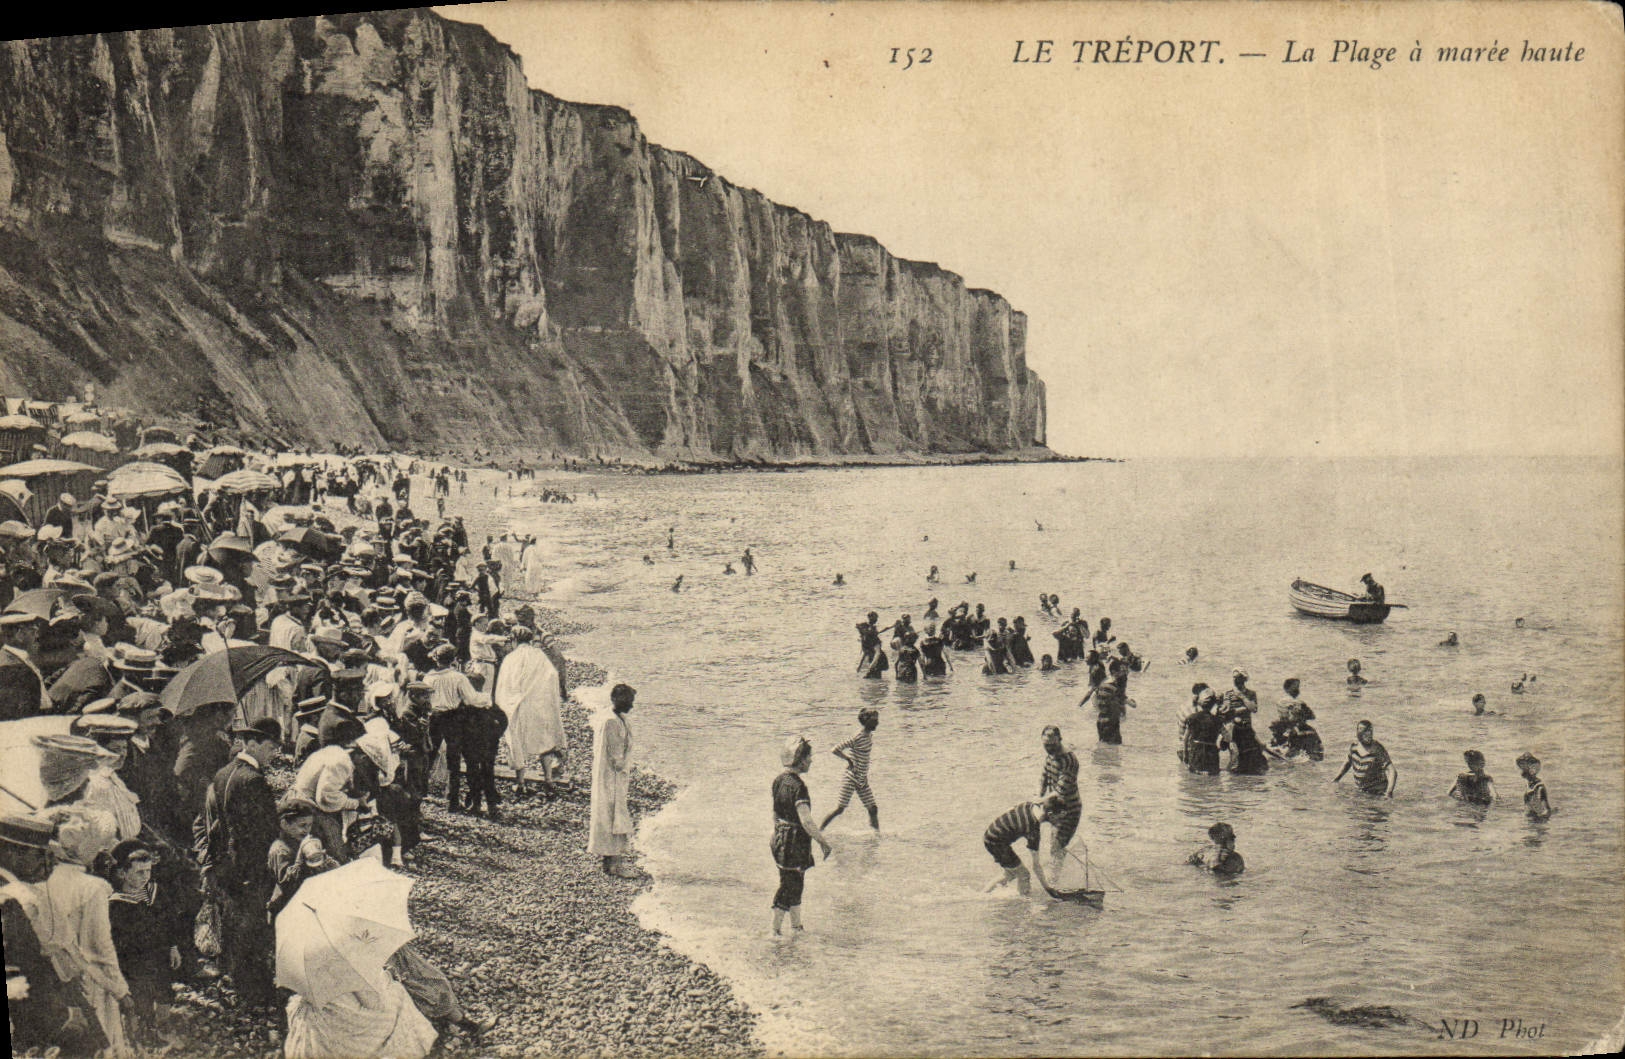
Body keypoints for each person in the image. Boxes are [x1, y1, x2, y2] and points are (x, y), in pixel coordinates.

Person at [1, 811, 108, 1056]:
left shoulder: (17, 891)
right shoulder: (10, 899)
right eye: (39, 855)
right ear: (11, 852)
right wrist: (62, 1019)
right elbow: (18, 971)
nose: (47, 864)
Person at [197, 717, 282, 1009]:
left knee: (235, 925)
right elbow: (263, 831)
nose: (275, 754)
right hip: (249, 866)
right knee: (252, 927)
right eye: (271, 747)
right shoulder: (254, 780)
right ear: (253, 744)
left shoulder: (224, 772)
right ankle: (254, 992)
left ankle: (236, 980)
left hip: (227, 863)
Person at [38, 806, 131, 1053]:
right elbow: (100, 949)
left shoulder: (44, 881)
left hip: (58, 981)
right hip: (91, 984)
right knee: (100, 1041)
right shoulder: (93, 888)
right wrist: (121, 991)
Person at [105, 839, 178, 1046]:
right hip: (134, 960)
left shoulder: (154, 892)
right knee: (140, 996)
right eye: (139, 872)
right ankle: (142, 1035)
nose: (145, 877)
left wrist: (173, 947)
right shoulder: (117, 903)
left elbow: (169, 920)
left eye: (148, 871)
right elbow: (116, 939)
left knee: (163, 990)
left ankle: (162, 1025)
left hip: (159, 954)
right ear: (122, 873)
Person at [494, 625, 567, 798]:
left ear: (513, 640)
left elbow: (504, 684)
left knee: (516, 740)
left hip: (517, 705)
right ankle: (548, 780)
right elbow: (551, 676)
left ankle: (520, 783)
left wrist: (503, 704)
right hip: (538, 704)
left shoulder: (511, 658)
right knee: (544, 740)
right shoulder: (539, 655)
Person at [770, 735, 832, 935]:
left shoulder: (778, 781)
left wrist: (778, 835)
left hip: (780, 838)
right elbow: (806, 820)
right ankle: (774, 931)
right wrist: (823, 842)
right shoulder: (799, 787)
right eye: (809, 757)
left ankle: (797, 927)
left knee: (794, 883)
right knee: (790, 885)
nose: (811, 760)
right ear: (800, 760)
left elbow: (775, 813)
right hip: (795, 842)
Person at [589, 684, 639, 878]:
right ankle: (614, 865)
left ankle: (609, 863)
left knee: (609, 817)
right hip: (612, 778)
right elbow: (617, 759)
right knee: (614, 817)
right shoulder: (611, 722)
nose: (631, 706)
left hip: (610, 777)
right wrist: (626, 765)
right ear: (617, 700)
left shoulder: (613, 718)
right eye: (629, 702)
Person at [266, 794, 340, 919]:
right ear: (284, 824)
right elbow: (287, 885)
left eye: (310, 825)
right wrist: (300, 861)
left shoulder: (300, 841)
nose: (307, 830)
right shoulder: (280, 849)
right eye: (302, 825)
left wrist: (326, 863)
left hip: (302, 902)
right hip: (286, 909)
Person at [983, 794, 1061, 896]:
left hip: (990, 834)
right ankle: (1023, 902)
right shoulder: (1033, 829)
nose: (1059, 821)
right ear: (1050, 814)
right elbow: (1036, 866)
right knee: (1024, 875)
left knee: (1011, 873)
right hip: (996, 842)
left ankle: (983, 895)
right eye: (1059, 817)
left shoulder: (1030, 805)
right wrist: (1048, 889)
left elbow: (1011, 808)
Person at [820, 710, 880, 831]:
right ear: (866, 721)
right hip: (851, 777)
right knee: (840, 808)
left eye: (877, 720)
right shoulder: (857, 737)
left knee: (873, 809)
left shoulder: (869, 736)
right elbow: (835, 749)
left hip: (862, 779)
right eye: (874, 720)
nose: (877, 723)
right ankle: (820, 830)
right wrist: (848, 759)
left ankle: (876, 835)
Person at [1037, 727, 1082, 864]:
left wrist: (1038, 801)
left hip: (1068, 810)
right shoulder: (1050, 756)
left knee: (1056, 847)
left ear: (1060, 740)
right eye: (1046, 745)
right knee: (1024, 828)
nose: (1049, 748)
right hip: (1053, 806)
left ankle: (1054, 882)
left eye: (1052, 745)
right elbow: (1043, 779)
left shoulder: (1068, 759)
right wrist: (1038, 799)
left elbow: (1060, 791)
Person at [1333, 720, 1397, 798]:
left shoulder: (1377, 749)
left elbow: (1392, 771)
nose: (1368, 734)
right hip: (1361, 790)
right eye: (1365, 732)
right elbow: (1347, 763)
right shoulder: (1354, 747)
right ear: (1358, 733)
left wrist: (1389, 792)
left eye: (1370, 732)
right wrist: (1335, 780)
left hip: (1377, 791)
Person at [1516, 753, 1552, 819]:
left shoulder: (1539, 788)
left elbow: (1546, 810)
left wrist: (1538, 819)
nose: (1519, 771)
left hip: (1537, 822)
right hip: (1530, 820)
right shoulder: (1529, 785)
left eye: (1521, 768)